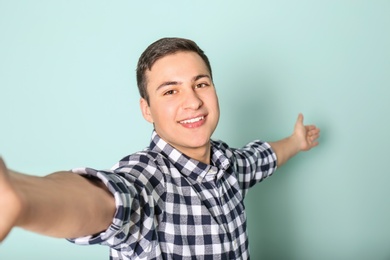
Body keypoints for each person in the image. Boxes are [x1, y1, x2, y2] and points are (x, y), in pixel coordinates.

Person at [0, 37, 320, 259]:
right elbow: (107, 199)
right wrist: (24, 198)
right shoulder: (149, 179)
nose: (193, 101)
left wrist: (296, 141)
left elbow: (260, 158)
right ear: (147, 110)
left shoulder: (228, 162)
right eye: (170, 91)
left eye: (201, 83)